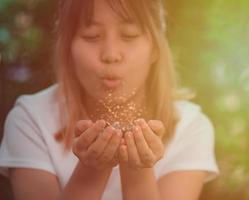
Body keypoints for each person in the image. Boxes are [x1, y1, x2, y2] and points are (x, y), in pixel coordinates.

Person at [0, 0, 219, 199]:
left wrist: (138, 170)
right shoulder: (31, 119)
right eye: (92, 36)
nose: (111, 54)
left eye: (129, 35)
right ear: (68, 48)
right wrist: (92, 170)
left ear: (155, 48)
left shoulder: (190, 126)